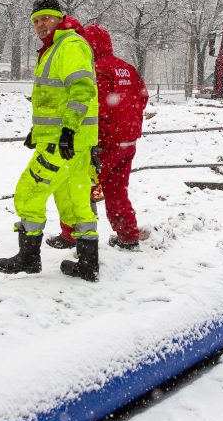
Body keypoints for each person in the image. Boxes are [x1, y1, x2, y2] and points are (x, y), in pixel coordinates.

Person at [0, 0, 101, 281]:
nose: (41, 25)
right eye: (36, 21)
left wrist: (66, 131)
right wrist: (38, 131)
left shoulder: (69, 46)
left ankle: (29, 258)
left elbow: (81, 90)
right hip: (71, 143)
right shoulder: (56, 48)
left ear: (59, 19)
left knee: (28, 193)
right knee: (75, 202)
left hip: (63, 143)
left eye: (46, 19)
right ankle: (88, 264)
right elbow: (54, 99)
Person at [46, 23, 149, 251]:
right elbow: (142, 97)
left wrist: (93, 139)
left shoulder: (96, 69)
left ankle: (74, 235)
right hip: (128, 141)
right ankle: (128, 236)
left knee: (78, 187)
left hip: (104, 143)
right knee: (117, 190)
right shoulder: (126, 67)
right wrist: (128, 123)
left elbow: (96, 109)